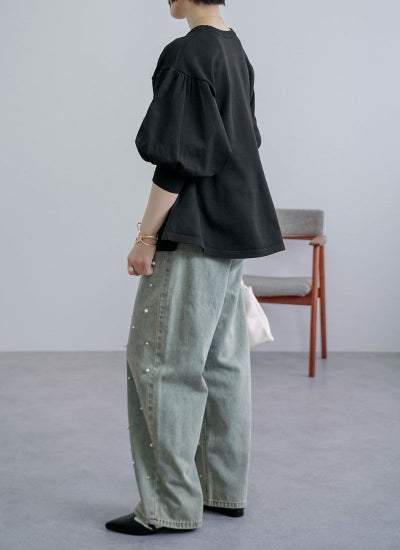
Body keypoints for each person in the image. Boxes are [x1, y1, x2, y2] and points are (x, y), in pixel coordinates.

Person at [105, 0, 285, 537]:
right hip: (233, 227)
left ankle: (168, 506)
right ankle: (222, 488)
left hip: (194, 230)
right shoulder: (234, 50)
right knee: (222, 363)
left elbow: (179, 157)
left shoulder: (190, 53)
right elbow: (244, 141)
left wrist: (146, 236)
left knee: (163, 365)